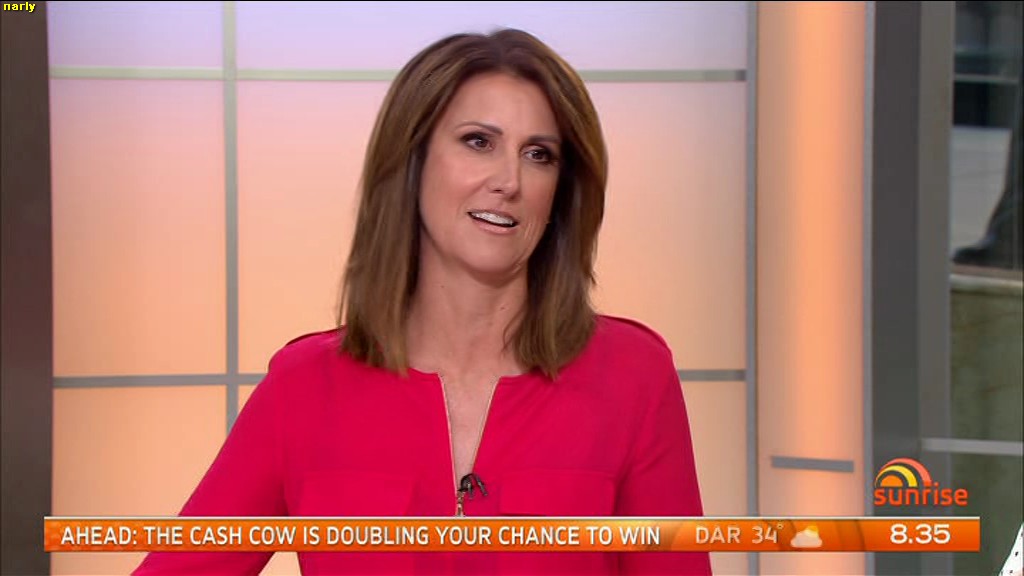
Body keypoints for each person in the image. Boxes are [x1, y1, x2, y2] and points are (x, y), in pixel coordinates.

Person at [133, 28, 710, 575]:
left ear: (561, 191)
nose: (509, 180)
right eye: (478, 142)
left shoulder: (632, 376)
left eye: (539, 154)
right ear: (412, 161)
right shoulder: (303, 387)